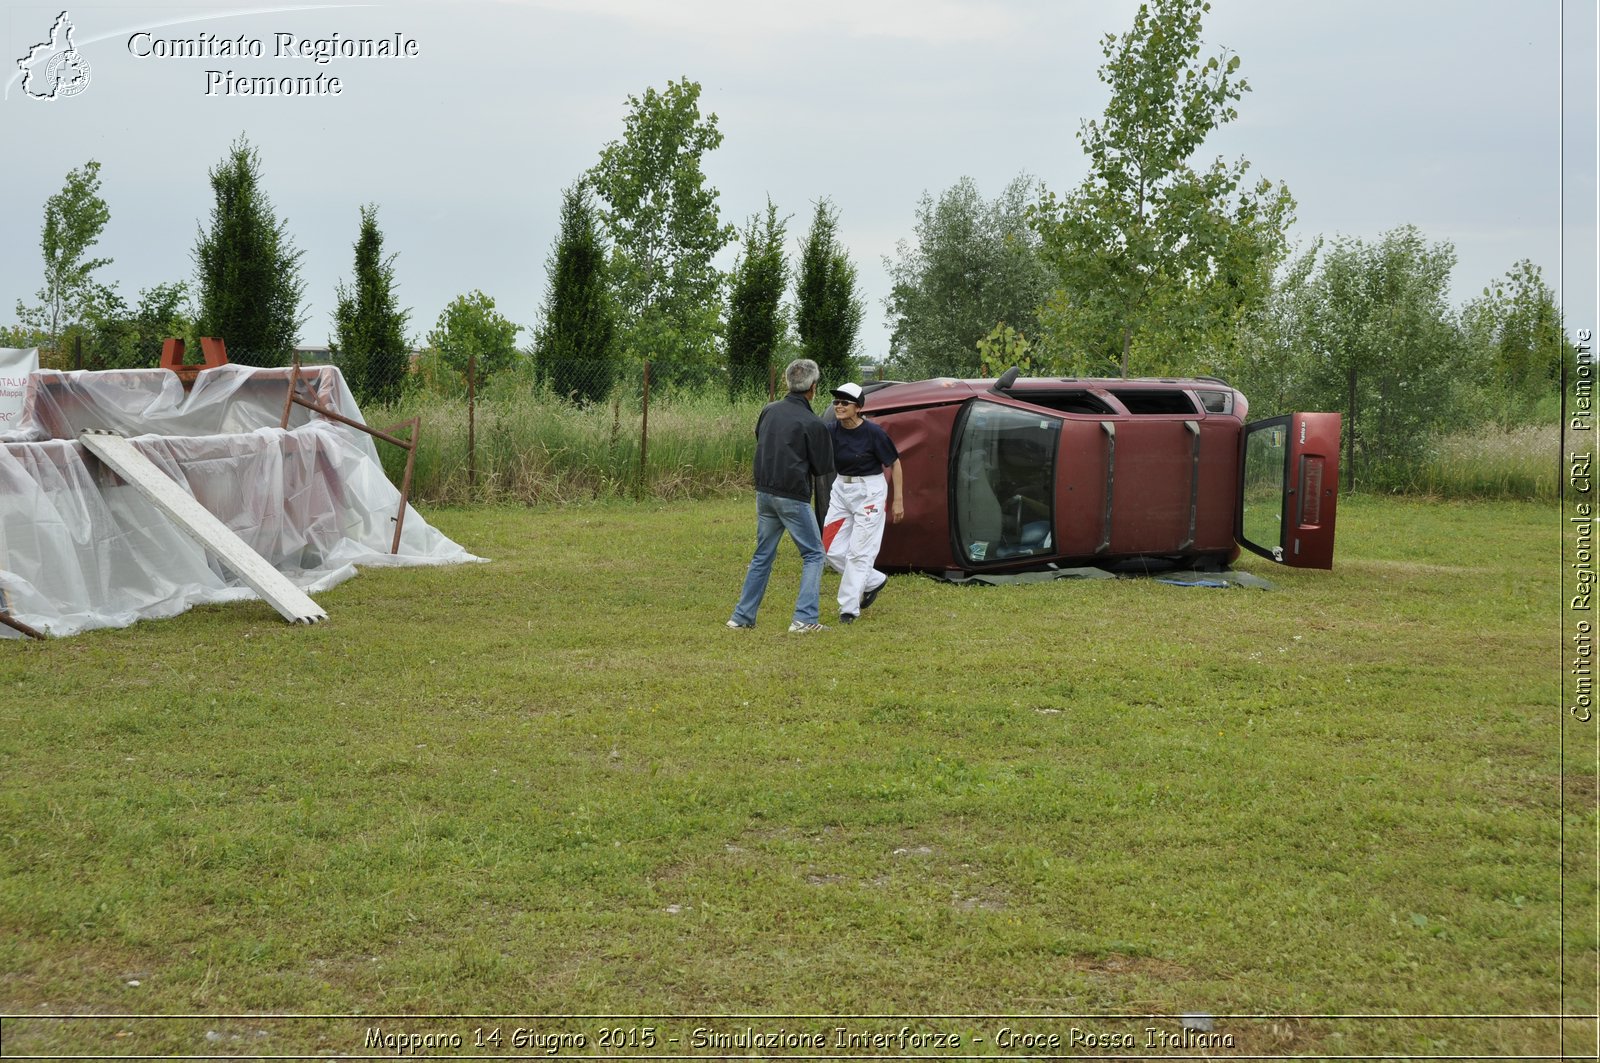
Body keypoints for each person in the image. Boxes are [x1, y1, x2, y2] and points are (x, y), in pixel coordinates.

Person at [726, 359, 834, 633]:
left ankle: (742, 617)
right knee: (813, 555)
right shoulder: (814, 423)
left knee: (763, 554)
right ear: (813, 387)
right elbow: (822, 468)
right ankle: (804, 618)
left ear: (787, 383)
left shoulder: (768, 410)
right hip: (793, 496)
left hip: (764, 493)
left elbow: (760, 438)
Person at [821, 382, 904, 624]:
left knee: (860, 552)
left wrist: (897, 500)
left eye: (844, 402)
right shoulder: (831, 430)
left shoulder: (874, 433)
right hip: (841, 489)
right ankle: (874, 580)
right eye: (836, 402)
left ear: (858, 408)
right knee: (830, 548)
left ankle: (848, 609)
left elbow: (895, 463)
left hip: (869, 491)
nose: (838, 406)